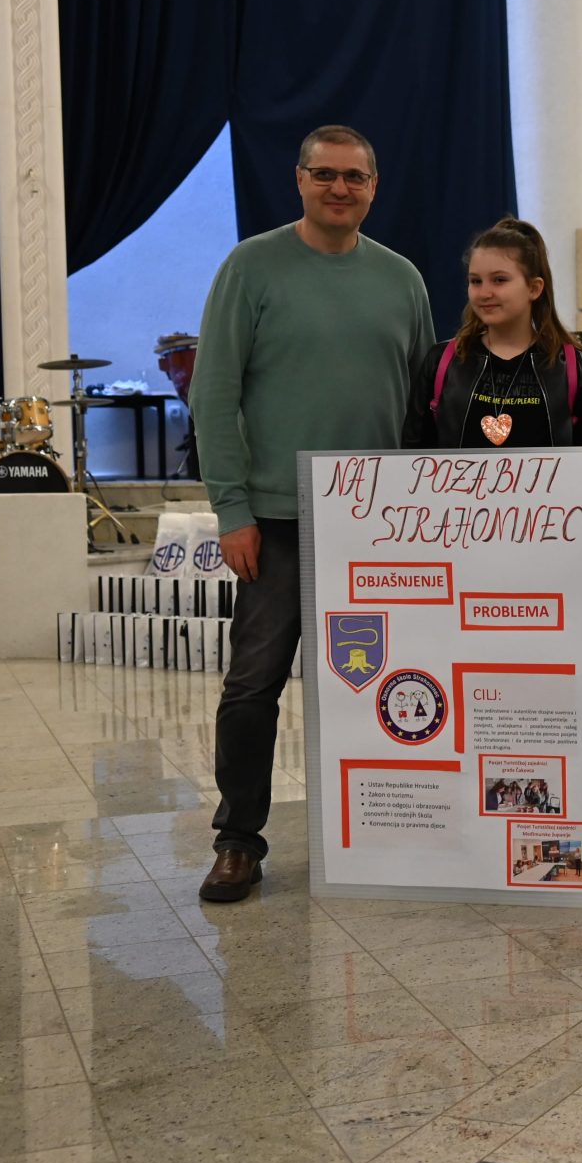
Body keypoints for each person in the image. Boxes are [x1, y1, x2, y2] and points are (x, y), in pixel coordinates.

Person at [192, 124, 436, 901]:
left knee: (389, 681)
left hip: (378, 527)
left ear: (374, 186)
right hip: (276, 522)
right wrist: (232, 509)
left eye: (354, 177)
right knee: (253, 685)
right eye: (325, 174)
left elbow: (425, 403)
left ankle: (388, 831)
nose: (339, 188)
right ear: (299, 180)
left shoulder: (402, 279)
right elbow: (213, 393)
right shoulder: (251, 267)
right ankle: (238, 840)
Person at [406, 218, 582, 449]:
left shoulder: (577, 369)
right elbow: (412, 457)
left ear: (534, 288)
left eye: (499, 280)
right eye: (476, 281)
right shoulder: (440, 361)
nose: (485, 293)